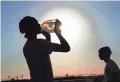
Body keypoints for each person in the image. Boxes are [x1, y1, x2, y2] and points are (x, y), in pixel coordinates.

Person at [19, 16, 70, 82]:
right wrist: (58, 33)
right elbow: (66, 48)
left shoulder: (26, 46)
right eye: (37, 23)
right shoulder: (39, 43)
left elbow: (44, 55)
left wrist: (48, 38)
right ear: (32, 27)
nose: (39, 24)